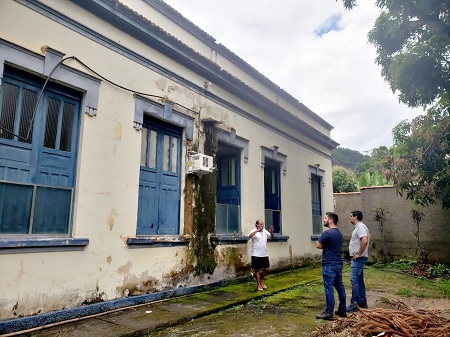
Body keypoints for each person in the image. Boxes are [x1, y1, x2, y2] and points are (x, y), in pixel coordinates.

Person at [315, 212, 347, 320]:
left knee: (329, 288)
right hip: (338, 263)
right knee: (339, 287)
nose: (323, 220)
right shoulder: (339, 233)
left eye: (325, 218)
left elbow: (318, 244)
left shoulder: (327, 233)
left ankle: (329, 312)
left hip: (329, 264)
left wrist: (324, 246)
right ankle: (342, 309)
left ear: (330, 220)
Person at [347, 210, 370, 312]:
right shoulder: (361, 227)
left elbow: (365, 240)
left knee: (354, 280)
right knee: (359, 280)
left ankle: (354, 304)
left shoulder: (360, 226)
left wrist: (359, 253)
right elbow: (369, 238)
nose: (350, 217)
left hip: (358, 258)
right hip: (359, 257)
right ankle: (362, 302)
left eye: (351, 216)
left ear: (356, 217)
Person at [248, 219, 274, 291]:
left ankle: (261, 280)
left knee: (267, 269)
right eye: (260, 224)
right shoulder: (254, 231)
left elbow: (271, 237)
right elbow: (249, 236)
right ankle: (259, 285)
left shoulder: (265, 231)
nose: (262, 225)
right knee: (257, 270)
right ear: (257, 224)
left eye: (263, 224)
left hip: (264, 254)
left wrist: (271, 232)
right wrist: (257, 231)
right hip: (256, 254)